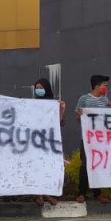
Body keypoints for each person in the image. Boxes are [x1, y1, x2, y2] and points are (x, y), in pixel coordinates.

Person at [75, 74, 111, 203]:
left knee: (98, 165)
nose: (106, 88)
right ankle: (82, 193)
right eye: (105, 85)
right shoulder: (84, 99)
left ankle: (97, 193)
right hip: (87, 139)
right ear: (97, 86)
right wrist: (80, 114)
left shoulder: (105, 99)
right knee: (85, 165)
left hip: (100, 139)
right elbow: (77, 118)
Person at [32, 77, 66, 206]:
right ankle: (39, 195)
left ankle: (47, 193)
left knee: (48, 167)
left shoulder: (53, 104)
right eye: (37, 88)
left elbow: (59, 123)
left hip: (49, 141)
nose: (38, 90)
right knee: (37, 167)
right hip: (35, 140)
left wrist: (62, 109)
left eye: (41, 88)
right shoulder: (32, 104)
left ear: (46, 88)